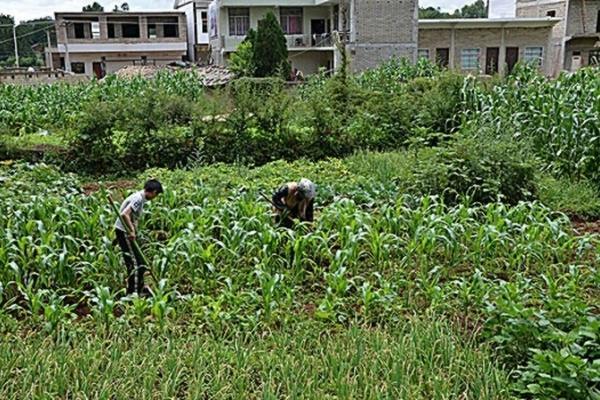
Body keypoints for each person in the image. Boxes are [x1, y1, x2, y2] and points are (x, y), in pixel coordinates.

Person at [114, 179, 163, 295]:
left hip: (128, 232)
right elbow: (124, 214)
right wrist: (131, 231)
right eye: (156, 194)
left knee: (141, 263)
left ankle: (142, 288)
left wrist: (134, 230)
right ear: (153, 191)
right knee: (134, 264)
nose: (155, 197)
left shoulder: (140, 198)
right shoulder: (138, 198)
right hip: (124, 231)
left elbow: (133, 217)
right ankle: (132, 293)